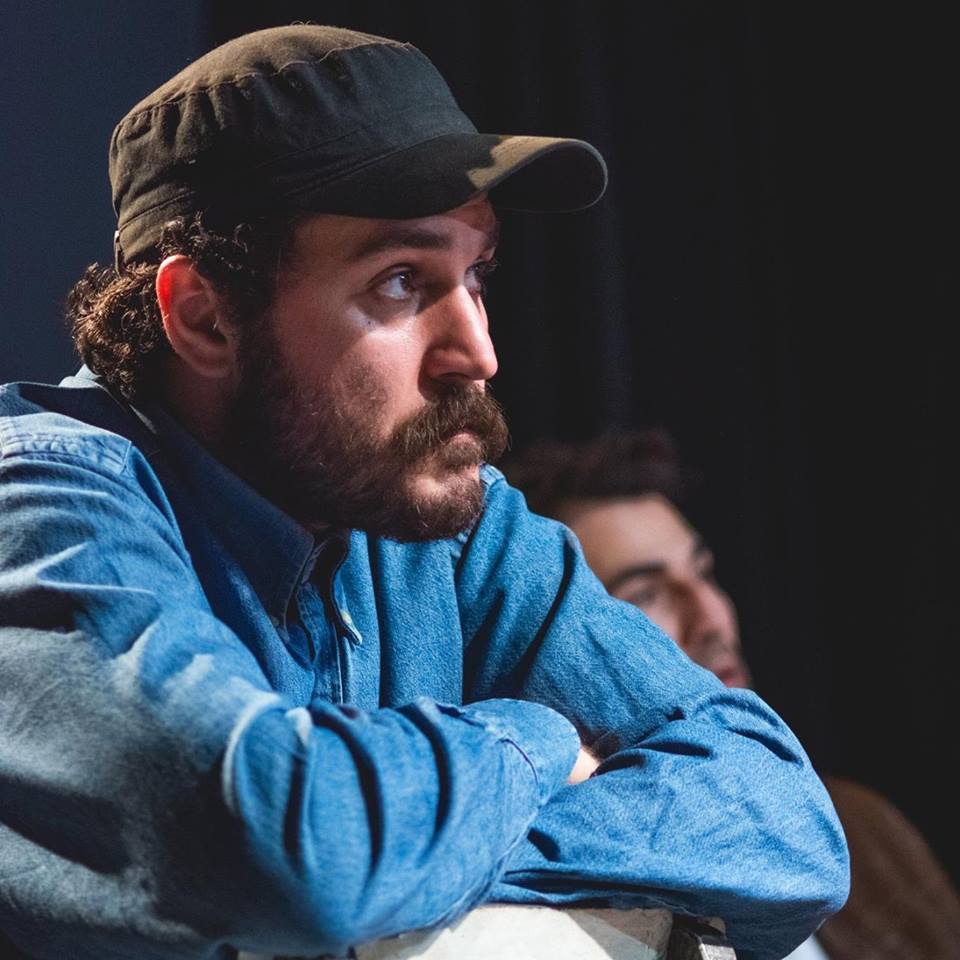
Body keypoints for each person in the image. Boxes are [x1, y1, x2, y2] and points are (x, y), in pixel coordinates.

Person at [0, 26, 847, 960]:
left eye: (475, 275)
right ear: (204, 317)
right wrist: (533, 741)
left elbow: (785, 824)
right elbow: (293, 849)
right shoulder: (40, 501)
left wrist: (417, 855)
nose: (477, 352)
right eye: (401, 282)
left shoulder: (449, 525)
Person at [505, 430, 960, 960]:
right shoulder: (545, 896)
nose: (712, 617)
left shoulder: (860, 824)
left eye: (703, 572)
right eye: (645, 594)